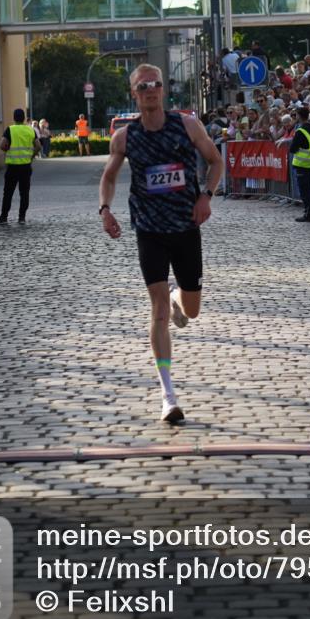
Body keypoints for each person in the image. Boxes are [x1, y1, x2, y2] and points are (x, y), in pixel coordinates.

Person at [98, 64, 223, 424]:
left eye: (155, 84)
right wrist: (105, 209)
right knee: (158, 313)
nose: (150, 90)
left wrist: (206, 196)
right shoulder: (124, 136)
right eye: (143, 86)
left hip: (185, 226)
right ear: (134, 93)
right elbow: (108, 177)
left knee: (192, 310)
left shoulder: (187, 125)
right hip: (149, 230)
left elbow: (215, 162)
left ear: (163, 90)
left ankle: (176, 298)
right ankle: (168, 394)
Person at [0, 108, 40, 225]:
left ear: (14, 118)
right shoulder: (30, 130)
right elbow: (38, 146)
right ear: (24, 118)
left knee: (8, 193)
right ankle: (22, 217)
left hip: (12, 166)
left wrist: (7, 149)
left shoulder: (10, 129)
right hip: (26, 166)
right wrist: (31, 156)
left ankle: (4, 217)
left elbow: (1, 145)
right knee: (24, 193)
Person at [289, 106, 310, 222]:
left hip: (302, 164)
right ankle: (309, 212)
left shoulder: (301, 131)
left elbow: (293, 148)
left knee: (304, 191)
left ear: (299, 116)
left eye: (296, 115)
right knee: (307, 190)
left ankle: (309, 214)